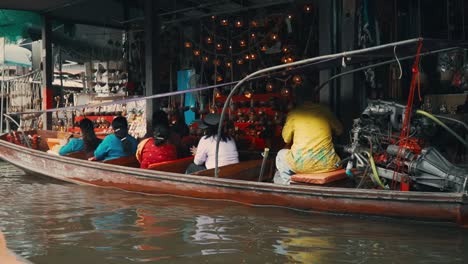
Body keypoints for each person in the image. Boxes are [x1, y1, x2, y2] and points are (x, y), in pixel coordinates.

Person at [274, 100, 343, 185]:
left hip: (301, 166)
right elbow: (339, 130)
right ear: (314, 97)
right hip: (329, 164)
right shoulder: (325, 111)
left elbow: (286, 139)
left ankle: (290, 186)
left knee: (280, 155)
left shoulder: (294, 114)